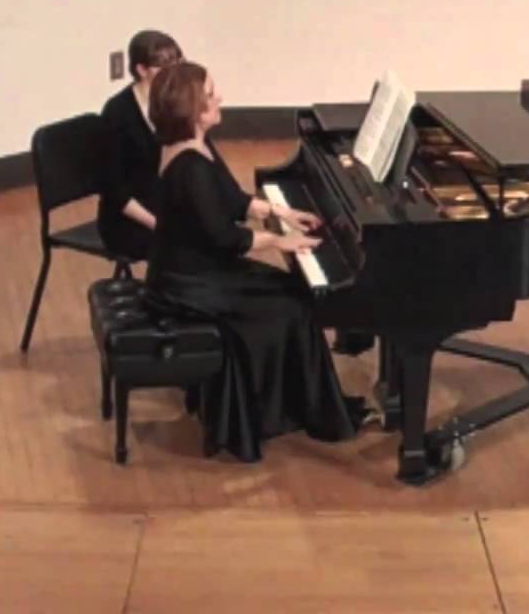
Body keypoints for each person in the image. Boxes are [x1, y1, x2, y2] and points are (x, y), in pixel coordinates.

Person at [144, 60, 369, 461]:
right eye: (210, 94)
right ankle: (289, 414)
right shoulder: (189, 167)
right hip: (188, 284)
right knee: (294, 304)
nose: (220, 98)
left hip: (199, 268)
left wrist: (282, 214)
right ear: (192, 110)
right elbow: (226, 238)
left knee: (293, 291)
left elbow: (232, 200)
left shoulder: (196, 145)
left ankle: (302, 406)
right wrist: (282, 242)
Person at [96, 30, 183, 260]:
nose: (174, 72)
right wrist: (160, 225)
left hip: (162, 204)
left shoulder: (173, 102)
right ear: (142, 70)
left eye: (177, 62)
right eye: (164, 65)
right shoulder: (117, 113)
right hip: (129, 220)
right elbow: (114, 191)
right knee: (190, 246)